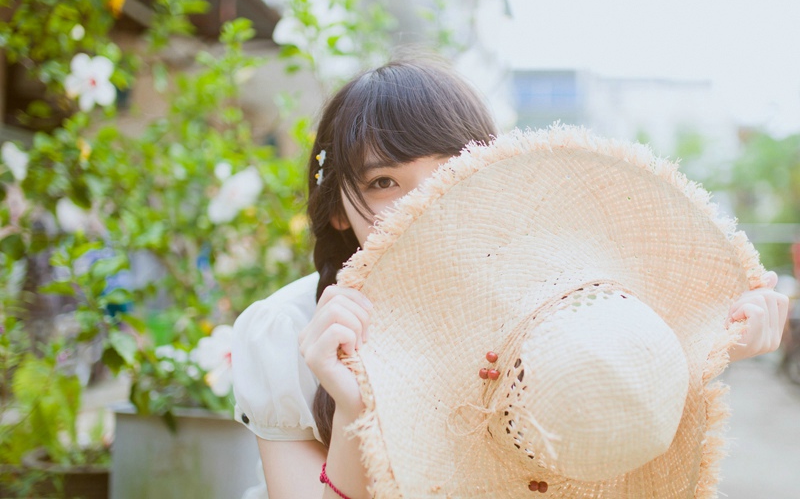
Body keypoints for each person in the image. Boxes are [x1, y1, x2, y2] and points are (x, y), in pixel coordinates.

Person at [231, 57, 789, 499]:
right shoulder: (288, 331)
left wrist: (707, 349)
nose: (427, 201)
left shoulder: (550, 302)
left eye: (450, 169)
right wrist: (354, 407)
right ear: (336, 209)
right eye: (383, 181)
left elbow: (600, 419)